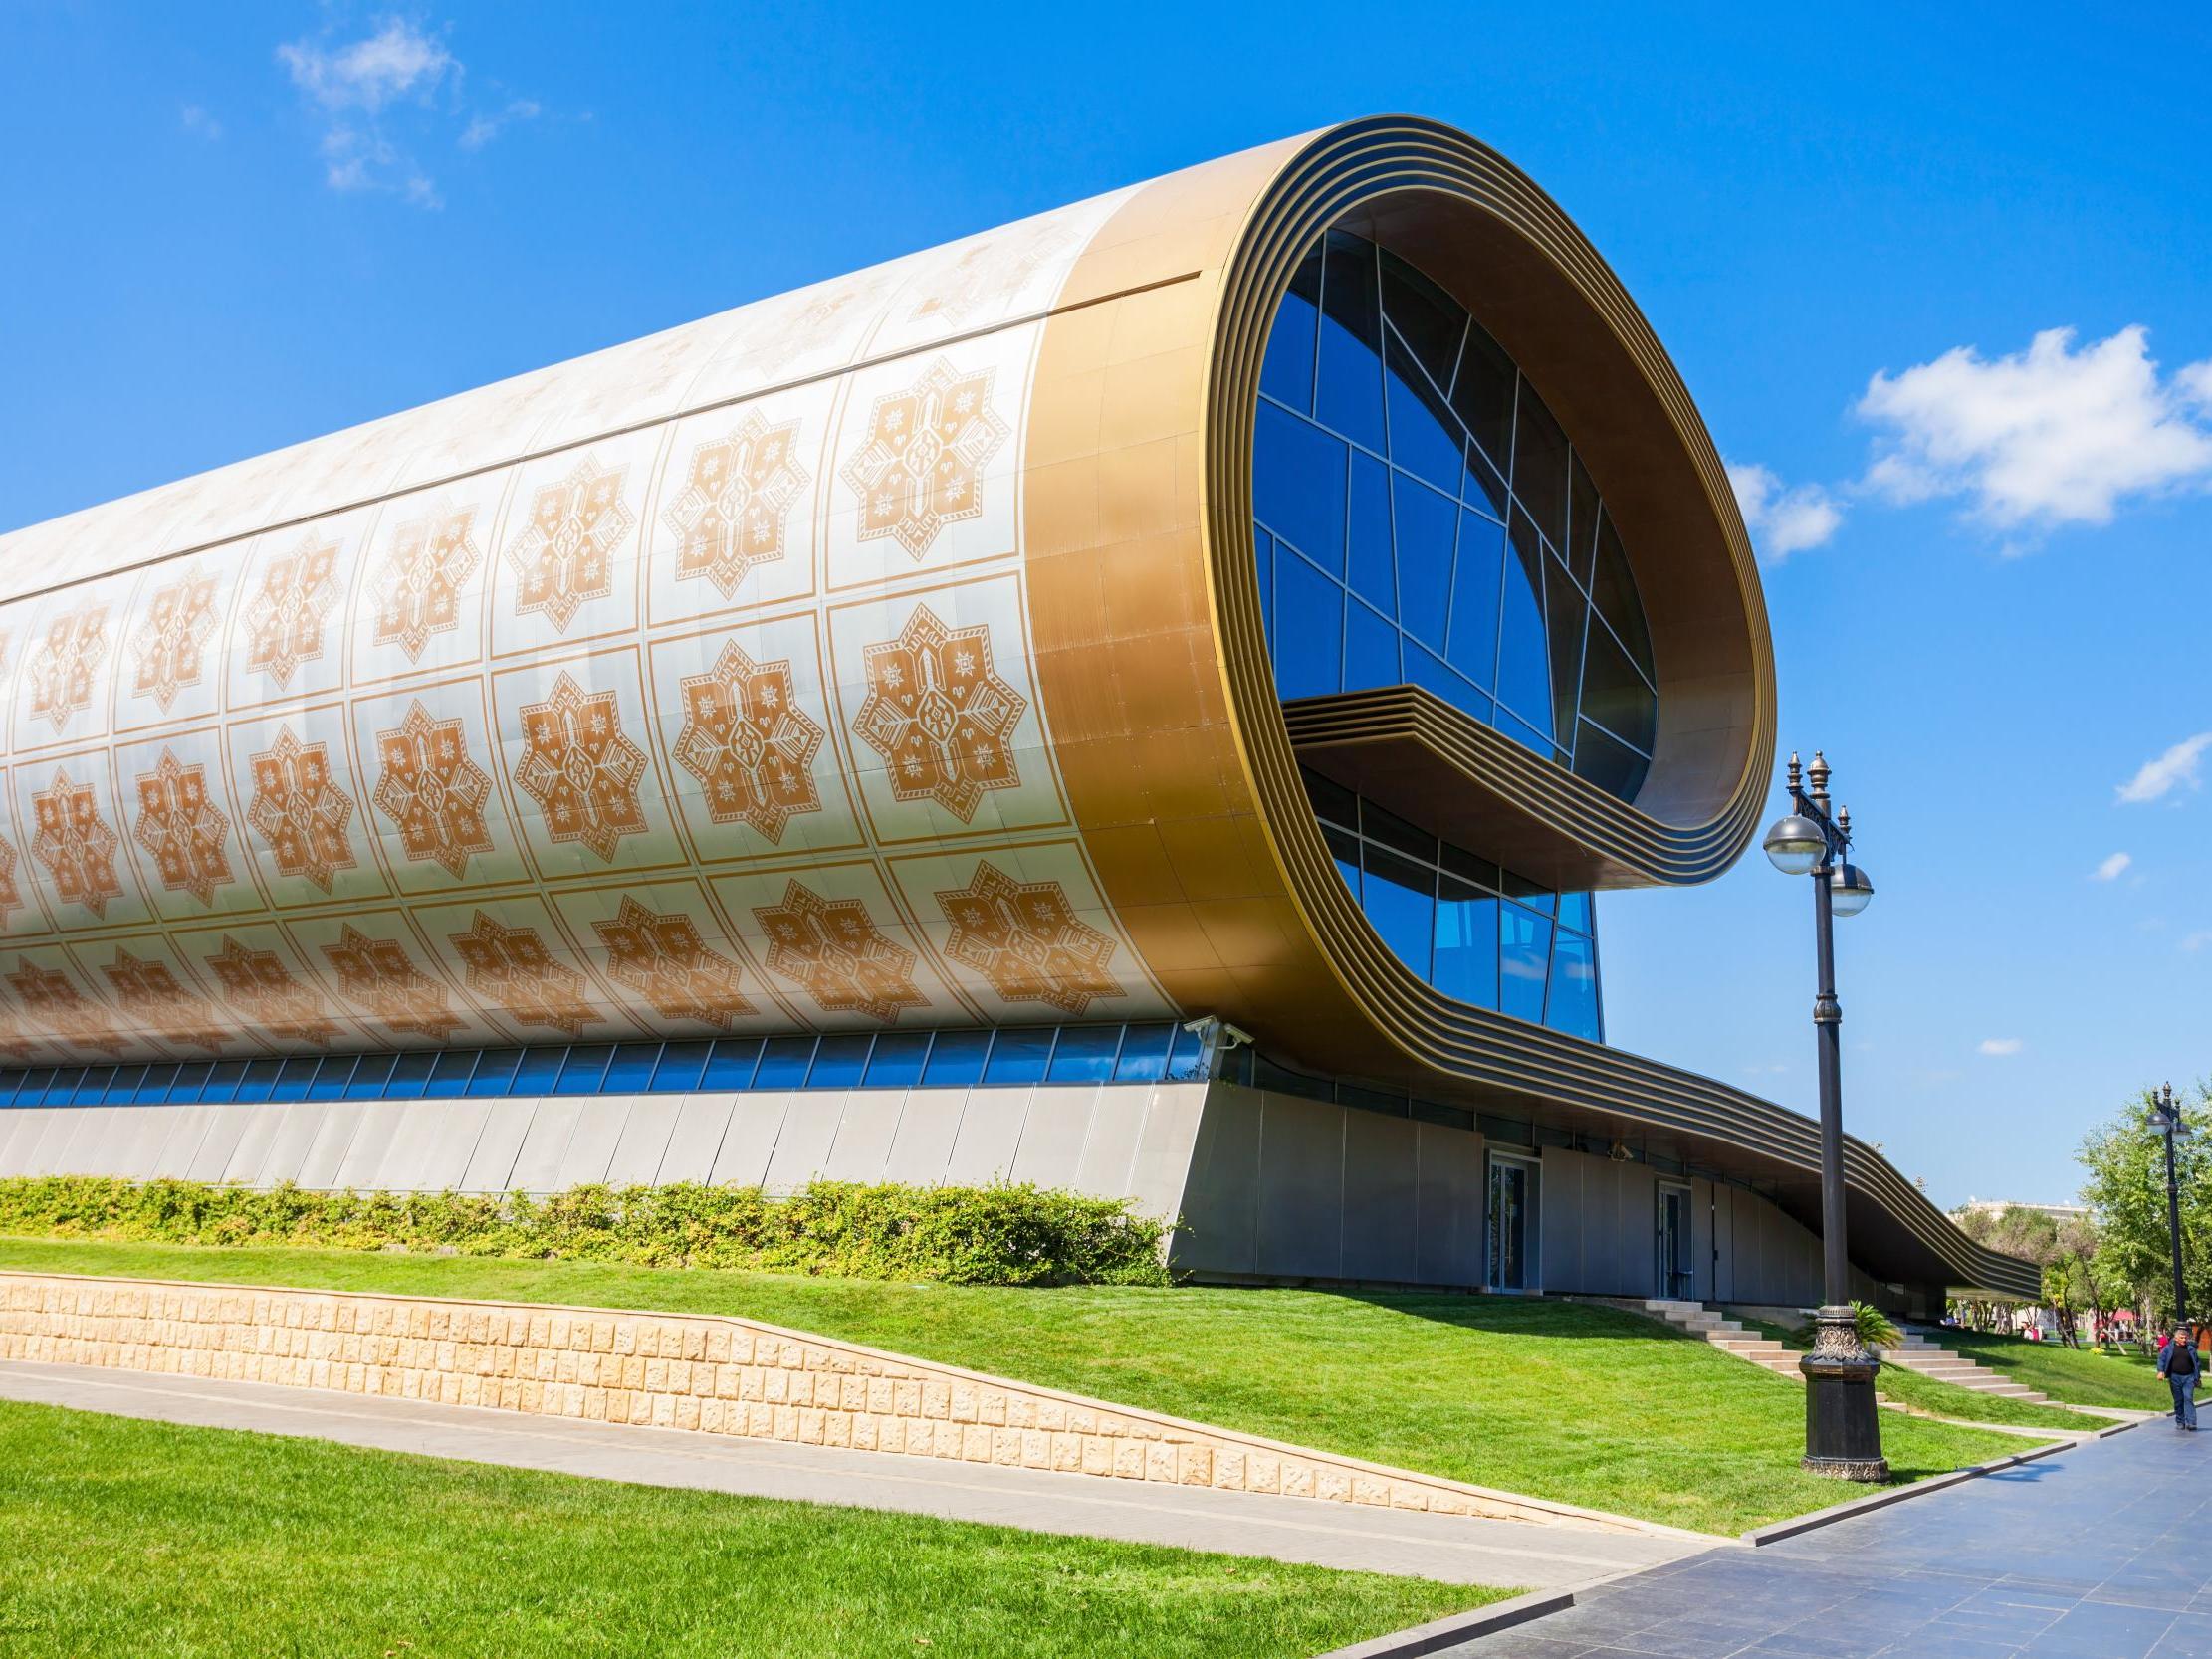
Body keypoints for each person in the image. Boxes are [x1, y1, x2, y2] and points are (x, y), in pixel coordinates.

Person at [2160, 1322, 2200, 1431]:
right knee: (2178, 1400)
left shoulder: (2191, 1349)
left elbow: (2197, 1364)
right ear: (2176, 1338)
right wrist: (2160, 1371)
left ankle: (2191, 1422)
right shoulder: (2169, 1348)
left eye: (2185, 1337)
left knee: (2188, 1398)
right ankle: (2180, 1422)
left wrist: (2197, 1378)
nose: (2184, 1339)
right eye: (2182, 1337)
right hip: (2175, 1378)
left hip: (2188, 1378)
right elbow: (2162, 1360)